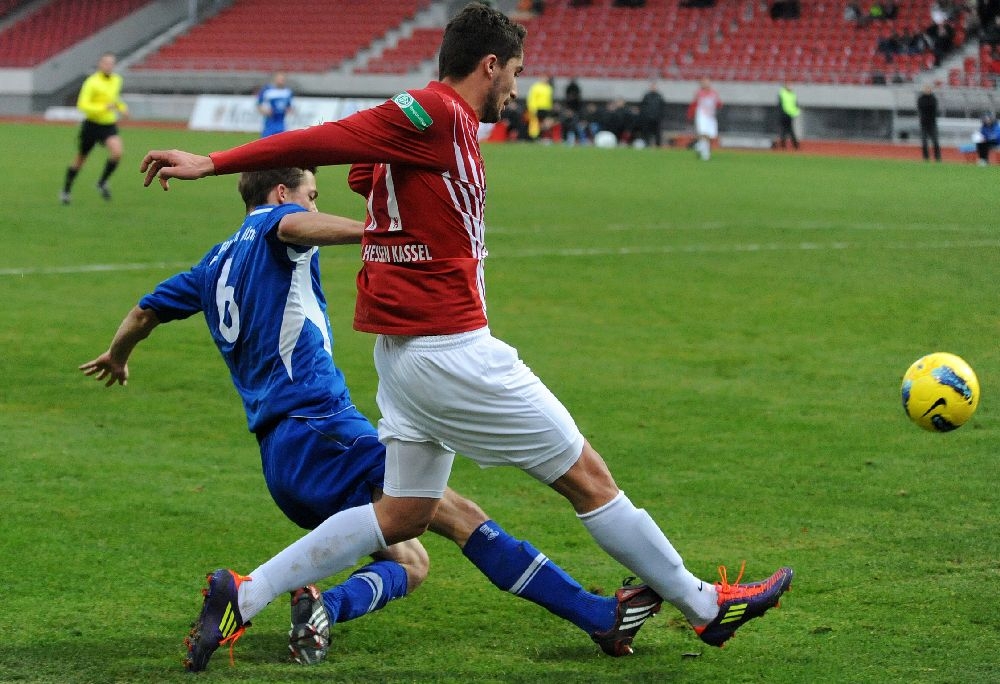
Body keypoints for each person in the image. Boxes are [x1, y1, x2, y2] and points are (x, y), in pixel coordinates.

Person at [140, 2, 794, 672]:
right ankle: (705, 607)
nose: (515, 87)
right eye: (513, 72)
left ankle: (244, 597)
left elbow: (366, 171)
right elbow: (330, 140)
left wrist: (387, 180)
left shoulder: (436, 132)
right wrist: (212, 161)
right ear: (489, 65)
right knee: (589, 480)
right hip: (451, 350)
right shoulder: (437, 114)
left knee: (401, 515)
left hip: (405, 357)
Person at [82, 166, 661, 668]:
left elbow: (144, 311)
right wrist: (379, 233)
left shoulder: (211, 266)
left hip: (281, 458)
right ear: (283, 193)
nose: (315, 204)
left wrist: (118, 354)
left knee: (410, 560)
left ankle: (321, 609)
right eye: (312, 194)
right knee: (460, 516)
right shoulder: (273, 224)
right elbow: (293, 226)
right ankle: (596, 616)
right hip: (322, 428)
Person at [60, 52, 127, 204]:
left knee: (117, 153)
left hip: (108, 124)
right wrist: (103, 107)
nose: (109, 66)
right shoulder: (91, 82)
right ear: (100, 64)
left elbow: (114, 99)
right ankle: (66, 190)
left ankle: (102, 182)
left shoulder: (117, 80)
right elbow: (82, 105)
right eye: (106, 63)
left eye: (112, 63)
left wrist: (122, 108)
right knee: (80, 159)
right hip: (91, 125)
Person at [687, 77, 722, 161]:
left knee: (710, 135)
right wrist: (690, 114)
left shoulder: (714, 93)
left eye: (707, 82)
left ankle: (698, 146)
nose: (706, 84)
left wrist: (718, 104)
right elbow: (694, 103)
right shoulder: (699, 93)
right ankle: (705, 154)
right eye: (704, 82)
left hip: (711, 116)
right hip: (702, 115)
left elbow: (718, 103)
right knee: (703, 134)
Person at [257, 72, 294, 138]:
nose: (281, 81)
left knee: (281, 142)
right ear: (275, 79)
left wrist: (288, 110)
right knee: (266, 142)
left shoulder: (288, 91)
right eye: (279, 79)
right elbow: (259, 104)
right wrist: (264, 110)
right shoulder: (267, 90)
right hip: (270, 121)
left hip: (281, 122)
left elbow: (289, 106)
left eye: (282, 79)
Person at [916, 83, 941, 162]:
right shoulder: (920, 99)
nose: (927, 90)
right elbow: (921, 108)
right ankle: (926, 157)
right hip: (923, 123)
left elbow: (933, 108)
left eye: (928, 88)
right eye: (925, 88)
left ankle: (937, 157)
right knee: (924, 141)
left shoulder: (933, 99)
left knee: (935, 141)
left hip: (932, 123)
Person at [637, 81, 667, 148]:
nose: (653, 88)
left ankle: (658, 145)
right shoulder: (646, 96)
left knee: (657, 133)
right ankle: (647, 144)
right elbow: (642, 107)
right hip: (647, 119)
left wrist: (660, 116)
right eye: (652, 86)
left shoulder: (659, 96)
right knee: (646, 132)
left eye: (654, 86)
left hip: (656, 119)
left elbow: (663, 107)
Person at [525, 73, 554, 140]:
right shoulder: (535, 87)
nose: (545, 79)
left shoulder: (549, 88)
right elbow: (531, 98)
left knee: (546, 123)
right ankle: (534, 137)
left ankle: (543, 136)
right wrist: (532, 108)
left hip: (546, 108)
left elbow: (549, 99)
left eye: (546, 78)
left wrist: (550, 107)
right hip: (537, 108)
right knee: (535, 123)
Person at [777, 82, 801, 149]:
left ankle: (795, 146)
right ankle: (783, 145)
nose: (790, 87)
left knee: (790, 130)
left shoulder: (792, 94)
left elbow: (795, 104)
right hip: (784, 115)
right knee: (784, 130)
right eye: (789, 86)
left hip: (790, 115)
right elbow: (781, 105)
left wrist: (796, 112)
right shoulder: (782, 93)